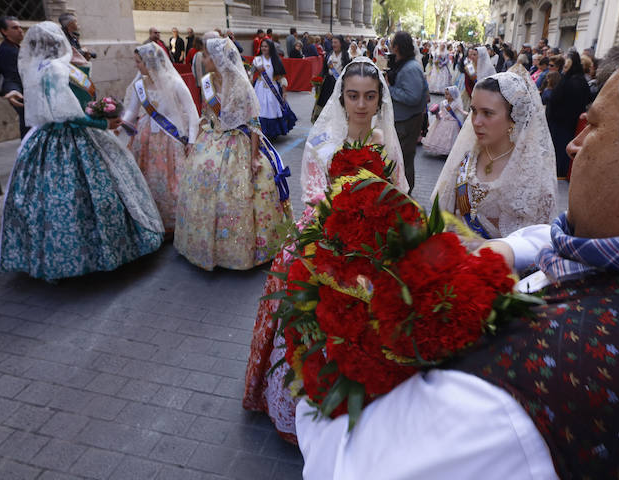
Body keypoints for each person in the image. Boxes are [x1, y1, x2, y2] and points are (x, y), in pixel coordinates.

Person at [296, 16, 619, 480]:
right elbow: (555, 239)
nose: (573, 145)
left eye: (593, 126)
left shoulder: (522, 385)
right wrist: (503, 254)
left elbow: (349, 466)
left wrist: (325, 356)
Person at [243, 56, 408, 441]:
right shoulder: (322, 141)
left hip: (376, 246)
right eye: (353, 95)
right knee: (312, 329)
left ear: (380, 98)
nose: (362, 105)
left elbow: (399, 191)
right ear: (342, 97)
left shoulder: (388, 144)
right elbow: (314, 193)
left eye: (369, 96)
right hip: (326, 240)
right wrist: (343, 224)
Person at [0, 22, 164, 282]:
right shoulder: (54, 69)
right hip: (73, 136)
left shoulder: (43, 67)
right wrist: (102, 123)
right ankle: (98, 254)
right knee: (90, 196)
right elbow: (68, 114)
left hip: (48, 138)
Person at [174, 37, 292, 270]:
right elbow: (207, 114)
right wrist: (195, 142)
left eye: (206, 56)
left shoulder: (239, 84)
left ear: (218, 59)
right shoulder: (207, 82)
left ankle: (240, 249)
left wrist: (254, 157)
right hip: (212, 139)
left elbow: (254, 123)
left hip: (238, 143)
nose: (203, 59)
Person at [431, 72, 558, 238]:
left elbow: (539, 241)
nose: (476, 121)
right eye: (474, 111)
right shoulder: (466, 157)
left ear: (513, 118)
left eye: (487, 113)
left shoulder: (532, 171)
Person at [120, 42, 200, 232]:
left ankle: (175, 224)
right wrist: (115, 125)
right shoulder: (139, 85)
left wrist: (192, 141)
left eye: (139, 62)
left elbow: (193, 114)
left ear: (149, 63)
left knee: (172, 183)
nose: (136, 66)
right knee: (148, 181)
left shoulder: (175, 83)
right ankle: (152, 222)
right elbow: (131, 111)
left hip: (170, 142)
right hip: (145, 141)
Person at [388, 31, 429, 194]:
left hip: (407, 121)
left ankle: (404, 192)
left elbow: (412, 97)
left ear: (396, 47)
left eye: (392, 44)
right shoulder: (407, 65)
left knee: (404, 159)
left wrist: (390, 89)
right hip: (405, 119)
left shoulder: (410, 68)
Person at [546, 51, 591, 177]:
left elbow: (557, 99)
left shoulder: (570, 81)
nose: (564, 70)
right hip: (568, 122)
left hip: (562, 123)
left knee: (560, 149)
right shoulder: (580, 81)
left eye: (566, 67)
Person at [251, 38, 296, 139]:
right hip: (260, 88)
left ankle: (272, 133)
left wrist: (284, 92)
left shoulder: (276, 60)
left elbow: (282, 78)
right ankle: (260, 131)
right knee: (260, 108)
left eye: (266, 46)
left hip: (273, 89)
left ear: (270, 47)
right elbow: (251, 73)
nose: (263, 48)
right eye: (262, 46)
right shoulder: (257, 60)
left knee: (272, 108)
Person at [0, 15, 28, 137]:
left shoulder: (15, 47)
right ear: (4, 31)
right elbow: (11, 76)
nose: (20, 30)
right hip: (21, 94)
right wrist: (13, 90)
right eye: (15, 28)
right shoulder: (6, 51)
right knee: (28, 125)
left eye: (20, 27)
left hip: (25, 93)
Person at [313, 34, 350, 122]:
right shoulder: (329, 54)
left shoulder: (345, 55)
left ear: (340, 43)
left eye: (335, 42)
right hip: (328, 83)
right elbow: (324, 69)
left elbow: (348, 70)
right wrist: (318, 79)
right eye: (332, 42)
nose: (333, 44)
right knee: (326, 103)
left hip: (340, 83)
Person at [422, 85, 465, 157]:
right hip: (443, 120)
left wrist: (467, 113)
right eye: (445, 93)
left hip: (451, 122)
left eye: (447, 94)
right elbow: (441, 112)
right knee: (440, 135)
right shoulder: (443, 103)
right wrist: (437, 114)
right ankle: (440, 150)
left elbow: (461, 111)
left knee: (449, 137)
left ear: (452, 95)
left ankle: (448, 151)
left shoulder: (456, 104)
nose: (446, 95)